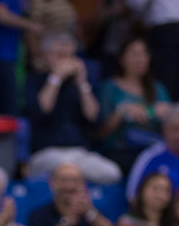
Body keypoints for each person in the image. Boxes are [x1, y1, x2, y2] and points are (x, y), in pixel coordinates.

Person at [25, 34, 122, 185]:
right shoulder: (35, 79)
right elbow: (41, 110)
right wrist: (55, 78)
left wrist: (82, 83)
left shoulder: (82, 85)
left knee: (112, 173)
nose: (65, 61)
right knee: (66, 170)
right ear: (46, 56)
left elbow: (93, 116)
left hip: (79, 153)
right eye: (60, 55)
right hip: (46, 153)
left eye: (70, 56)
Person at [97, 37, 172, 173]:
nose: (140, 59)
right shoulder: (109, 88)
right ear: (121, 59)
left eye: (144, 54)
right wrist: (122, 112)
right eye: (134, 54)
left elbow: (171, 121)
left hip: (153, 149)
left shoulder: (158, 89)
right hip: (120, 151)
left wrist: (150, 112)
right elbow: (100, 133)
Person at [0, 0, 43, 115]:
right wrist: (32, 25)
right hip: (1, 54)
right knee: (8, 110)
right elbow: (0, 14)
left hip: (10, 54)